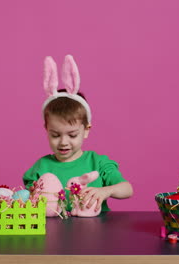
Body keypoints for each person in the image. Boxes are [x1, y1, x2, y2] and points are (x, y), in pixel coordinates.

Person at [23, 55, 133, 214]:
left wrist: (106, 191)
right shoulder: (41, 167)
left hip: (96, 233)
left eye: (72, 135)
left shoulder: (98, 163)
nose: (63, 142)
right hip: (53, 234)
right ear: (46, 130)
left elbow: (127, 189)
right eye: (55, 135)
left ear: (86, 130)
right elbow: (27, 198)